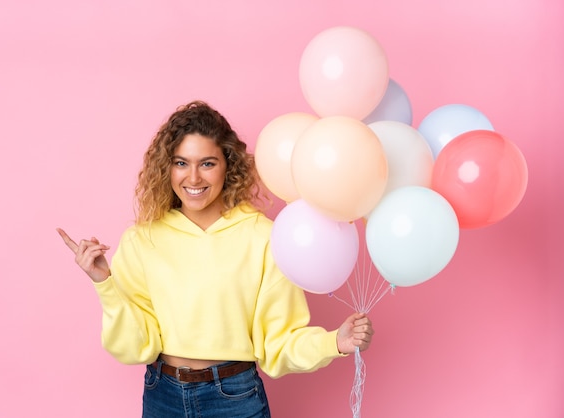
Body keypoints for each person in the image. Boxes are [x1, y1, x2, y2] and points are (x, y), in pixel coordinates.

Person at [57, 100, 374, 418]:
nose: (193, 178)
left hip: (235, 398)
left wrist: (334, 342)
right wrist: (105, 284)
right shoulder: (142, 240)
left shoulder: (263, 237)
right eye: (181, 163)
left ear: (228, 165)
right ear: (167, 167)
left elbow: (279, 342)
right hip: (162, 395)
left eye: (207, 163)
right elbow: (134, 346)